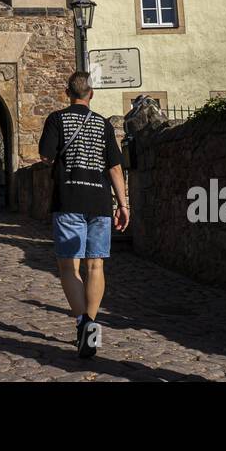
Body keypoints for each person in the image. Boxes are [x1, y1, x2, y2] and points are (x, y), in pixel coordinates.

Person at [38, 71, 129, 359]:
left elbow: (45, 155)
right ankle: (91, 325)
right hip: (100, 201)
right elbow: (115, 168)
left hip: (69, 200)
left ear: (68, 93)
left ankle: (84, 323)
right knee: (96, 267)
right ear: (91, 94)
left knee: (69, 268)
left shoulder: (57, 119)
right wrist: (123, 204)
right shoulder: (103, 125)